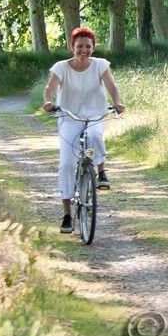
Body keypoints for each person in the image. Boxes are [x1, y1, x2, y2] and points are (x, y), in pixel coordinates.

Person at [43, 26, 125, 233]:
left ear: (93, 48)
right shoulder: (61, 67)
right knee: (67, 163)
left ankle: (102, 171)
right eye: (79, 46)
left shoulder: (100, 65)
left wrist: (117, 102)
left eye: (88, 46)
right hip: (69, 117)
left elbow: (111, 86)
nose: (84, 50)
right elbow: (50, 88)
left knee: (95, 135)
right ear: (72, 47)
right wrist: (47, 102)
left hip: (95, 114)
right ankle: (67, 213)